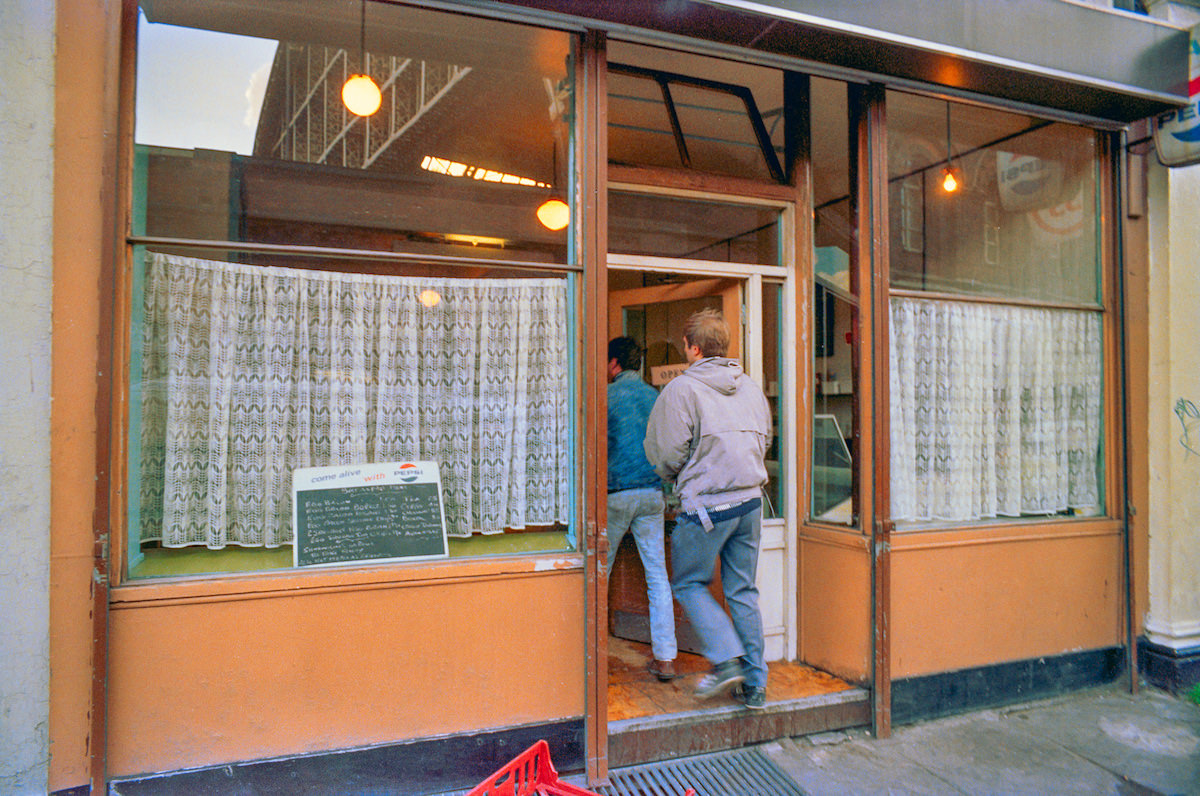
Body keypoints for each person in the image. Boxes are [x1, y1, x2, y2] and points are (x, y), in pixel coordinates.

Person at [643, 309, 772, 709]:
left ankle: (725, 660)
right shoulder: (749, 387)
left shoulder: (682, 390)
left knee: (688, 583)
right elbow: (764, 439)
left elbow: (664, 454)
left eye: (685, 345)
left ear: (693, 348)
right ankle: (755, 685)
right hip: (750, 503)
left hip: (707, 507)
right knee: (743, 591)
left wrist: (681, 480)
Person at [606, 336, 678, 681]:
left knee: (598, 575)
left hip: (616, 494)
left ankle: (590, 657)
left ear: (614, 364)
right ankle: (665, 658)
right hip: (652, 494)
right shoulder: (657, 396)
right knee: (657, 577)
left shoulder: (606, 396)